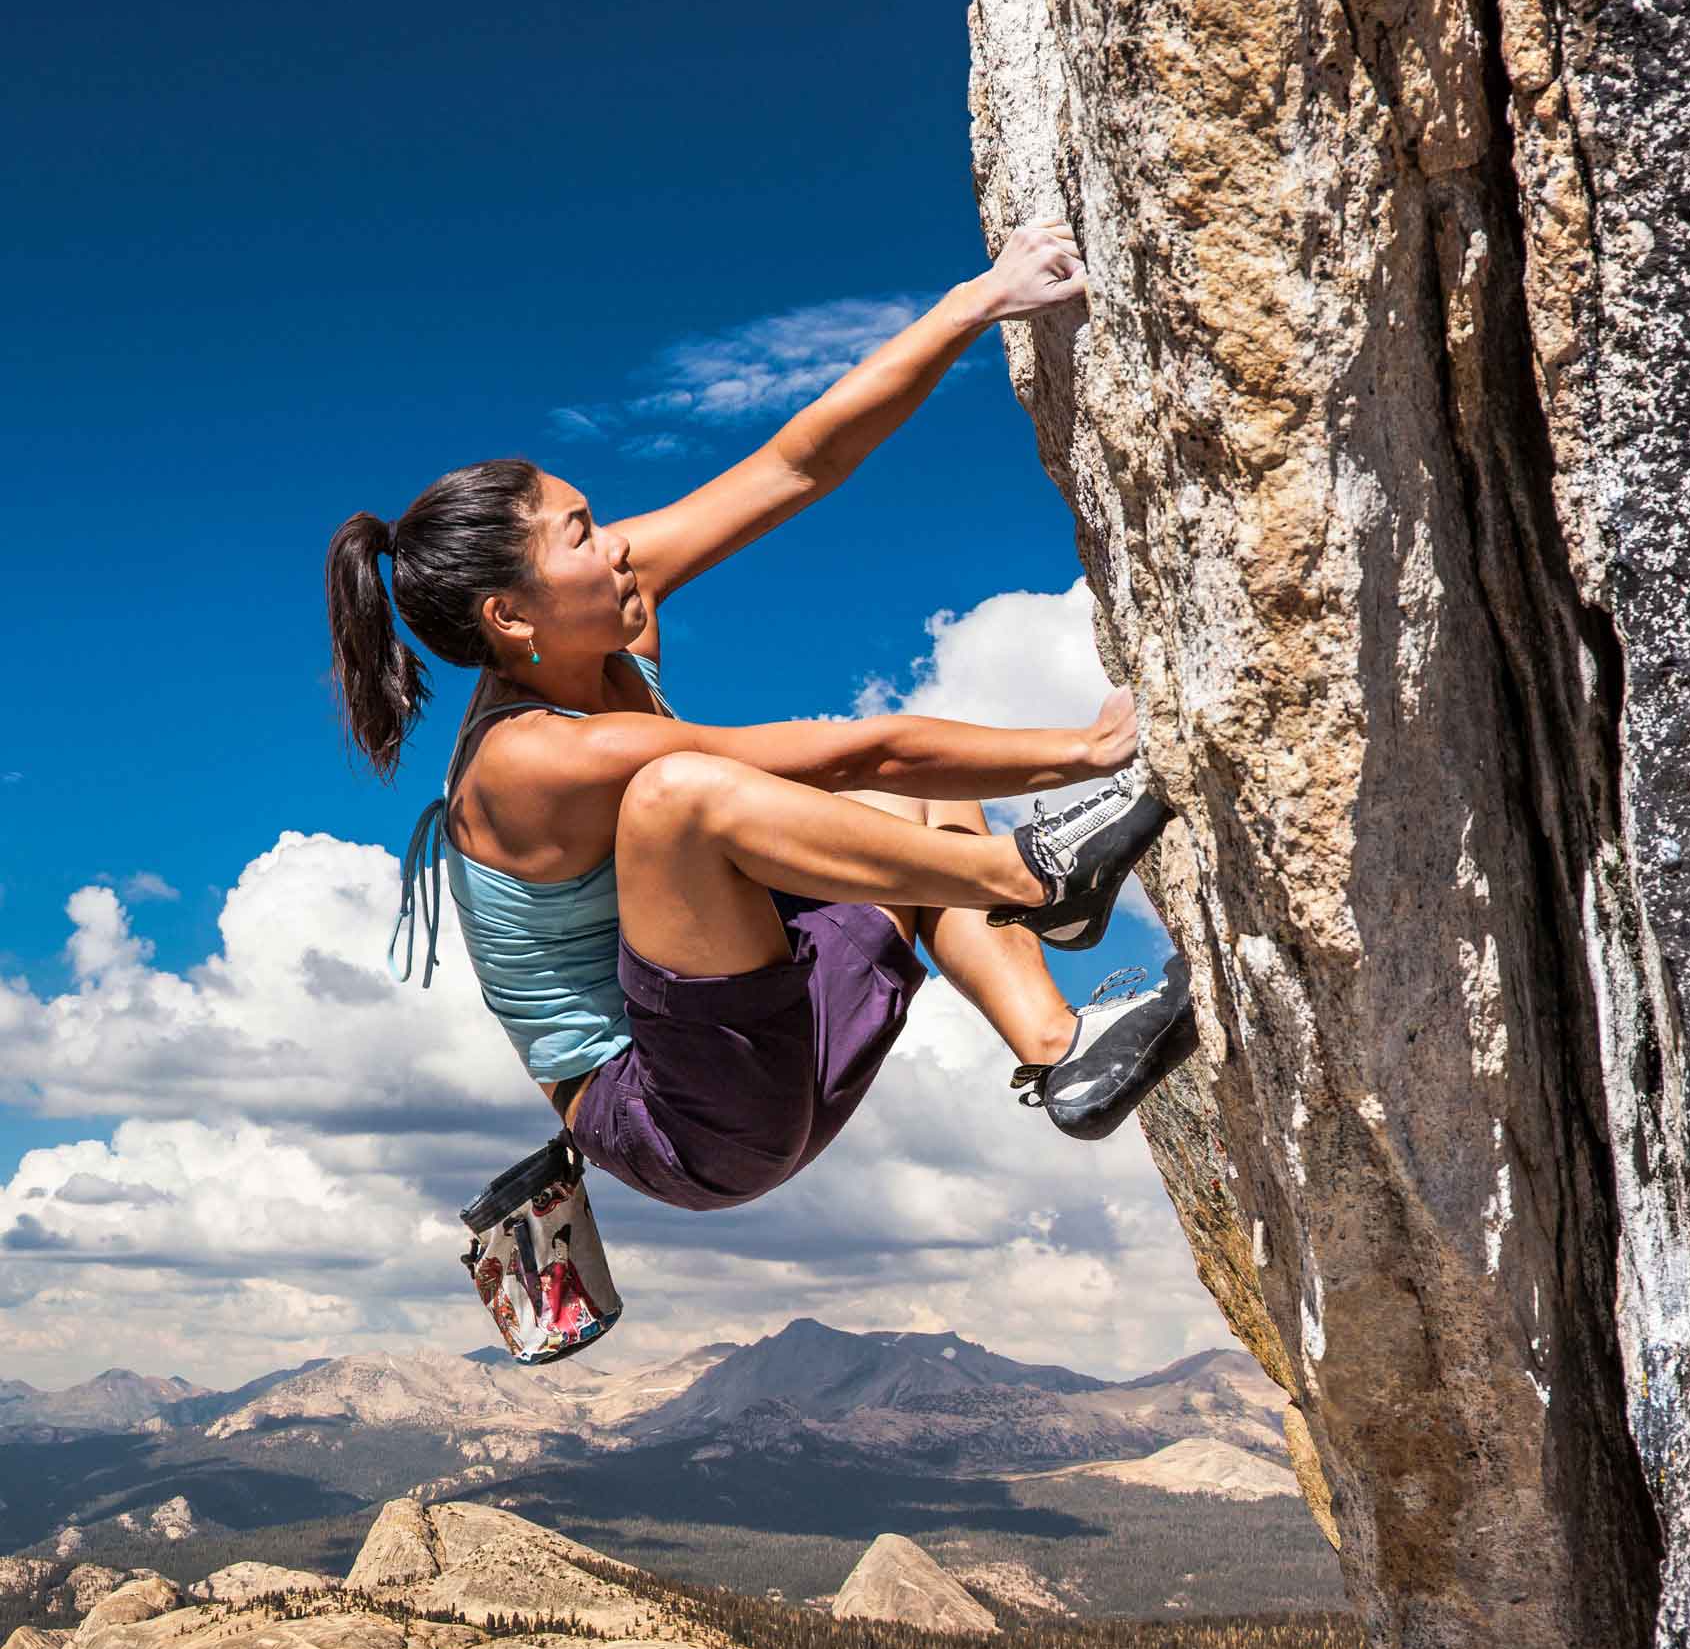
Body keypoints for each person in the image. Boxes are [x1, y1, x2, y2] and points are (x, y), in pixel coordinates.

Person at [326, 222, 1198, 1359]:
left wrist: (976, 303)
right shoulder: (526, 761)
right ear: (511, 615)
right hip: (684, 1119)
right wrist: (1085, 753)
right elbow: (843, 755)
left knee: (899, 814)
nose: (618, 545)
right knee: (684, 795)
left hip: (766, 1028)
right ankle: (1036, 879)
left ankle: (1062, 1046)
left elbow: (797, 465)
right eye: (582, 534)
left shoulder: (602, 611)